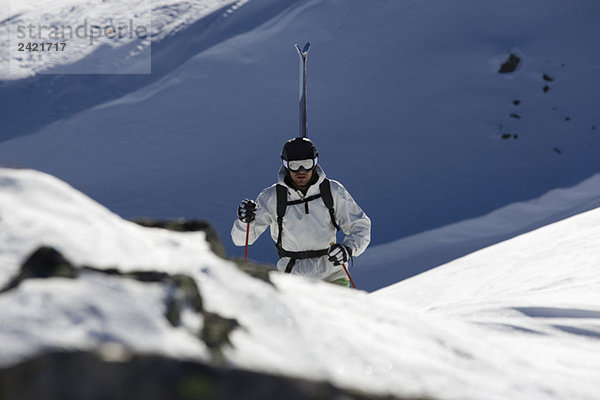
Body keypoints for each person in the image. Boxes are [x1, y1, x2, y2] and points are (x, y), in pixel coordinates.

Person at [231, 137, 371, 287]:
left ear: (315, 163)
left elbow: (361, 225)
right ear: (285, 165)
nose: (301, 171)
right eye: (295, 165)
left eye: (307, 164)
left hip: (332, 275)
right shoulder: (272, 197)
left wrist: (348, 248)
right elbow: (241, 240)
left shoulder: (331, 191)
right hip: (293, 280)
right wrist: (244, 221)